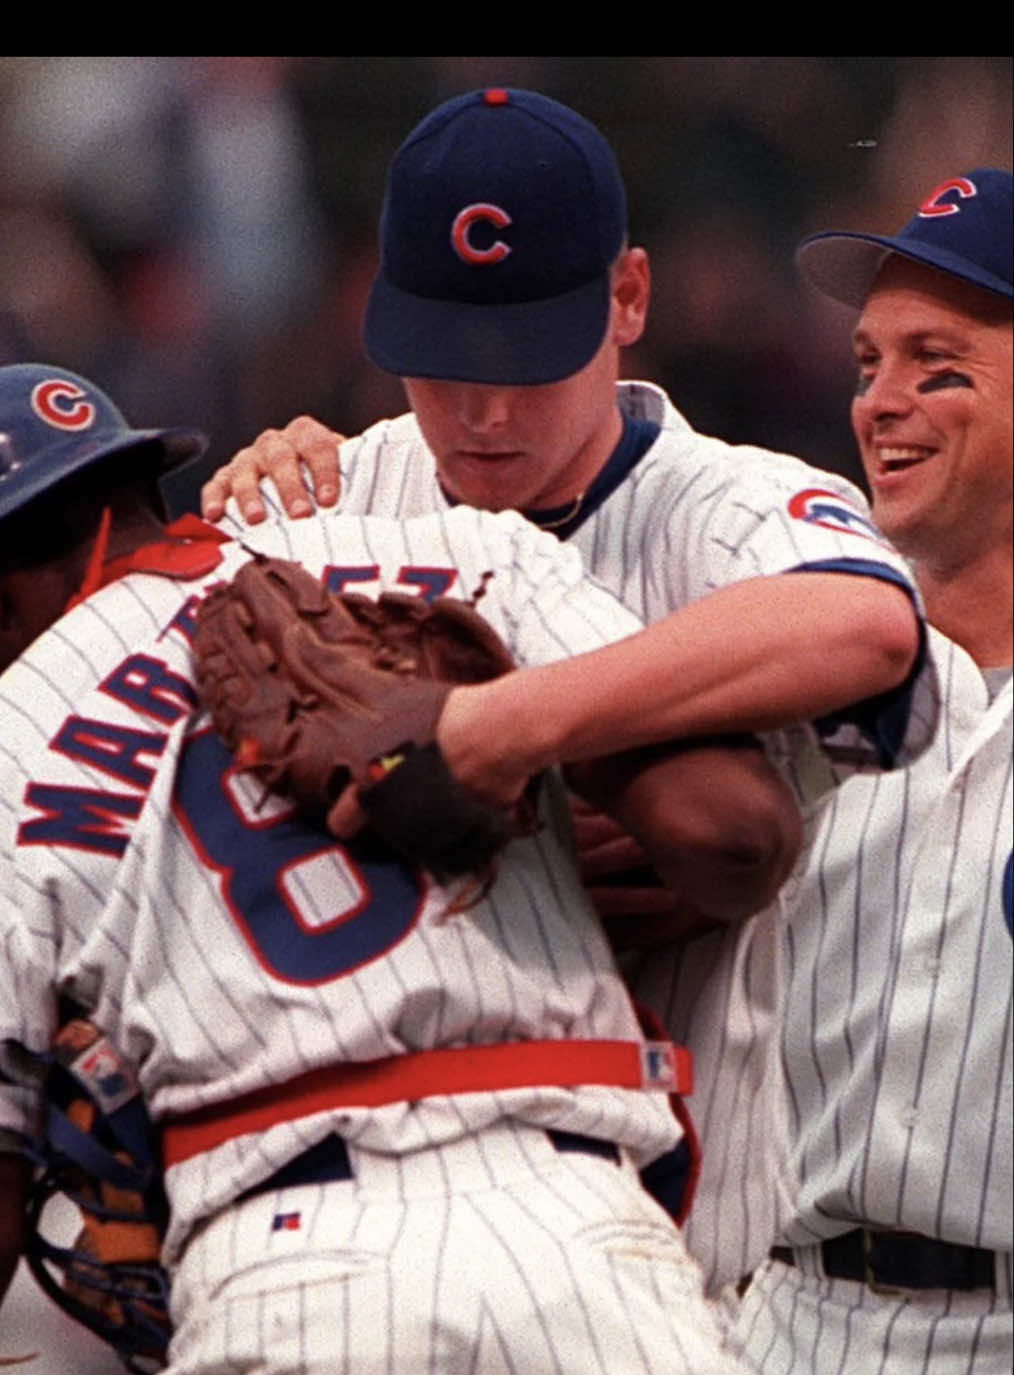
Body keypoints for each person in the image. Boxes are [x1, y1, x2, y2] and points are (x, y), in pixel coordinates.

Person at [0, 361, 823, 1375]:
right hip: (600, 1267)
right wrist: (506, 778)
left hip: (291, 1281)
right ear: (136, 495)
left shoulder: (21, 725)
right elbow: (737, 837)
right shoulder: (461, 549)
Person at [201, 85, 942, 1294]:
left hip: (674, 1269)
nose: (487, 411)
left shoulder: (725, 502)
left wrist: (496, 736)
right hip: (375, 1258)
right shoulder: (332, 497)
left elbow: (864, 622)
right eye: (447, 363)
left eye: (528, 361)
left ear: (629, 298)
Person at [730, 169, 1012, 1375]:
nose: (878, 402)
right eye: (865, 362)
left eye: (933, 363)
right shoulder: (775, 640)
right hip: (771, 1331)